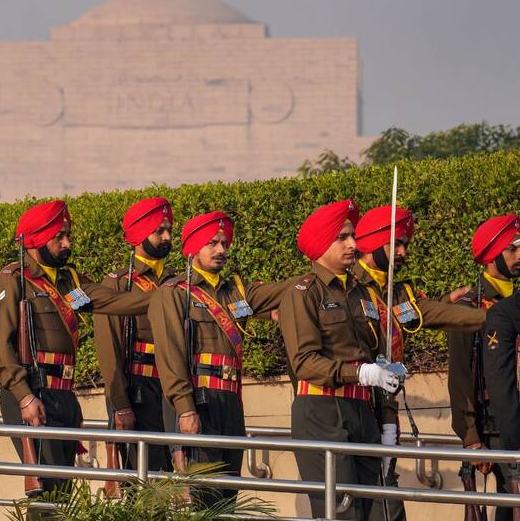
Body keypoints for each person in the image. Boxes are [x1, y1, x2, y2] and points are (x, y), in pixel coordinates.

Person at [0, 199, 150, 503]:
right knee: (46, 496)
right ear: (36, 239)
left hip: (63, 396)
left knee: (61, 494)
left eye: (68, 236)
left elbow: (113, 302)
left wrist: (165, 300)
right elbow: (0, 346)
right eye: (59, 237)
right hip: (32, 394)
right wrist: (24, 396)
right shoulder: (12, 280)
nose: (67, 243)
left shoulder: (69, 281)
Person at [149, 210, 291, 507]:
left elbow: (280, 292)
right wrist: (185, 409)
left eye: (224, 243)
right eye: (212, 243)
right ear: (193, 248)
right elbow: (170, 357)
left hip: (230, 402)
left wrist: (315, 276)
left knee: (228, 496)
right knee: (201, 497)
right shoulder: (174, 293)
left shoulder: (235, 291)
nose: (221, 250)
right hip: (196, 402)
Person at [353, 205, 485, 521]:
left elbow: (428, 313)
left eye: (405, 245)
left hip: (385, 410)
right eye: (395, 244)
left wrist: (489, 319)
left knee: (386, 496)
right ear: (372, 245)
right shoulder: (348, 286)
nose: (402, 252)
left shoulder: (398, 291)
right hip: (352, 408)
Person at [279, 199, 395, 520]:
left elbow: (375, 354)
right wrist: (361, 374)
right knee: (342, 514)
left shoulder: (361, 292)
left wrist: (386, 416)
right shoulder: (303, 294)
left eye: (353, 236)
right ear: (321, 244)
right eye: (342, 237)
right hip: (322, 414)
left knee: (370, 512)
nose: (353, 244)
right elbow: (304, 362)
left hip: (362, 412)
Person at [94, 197, 177, 473]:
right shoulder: (118, 283)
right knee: (144, 482)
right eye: (159, 231)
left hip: (175, 392)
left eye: (169, 230)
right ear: (140, 234)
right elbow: (110, 350)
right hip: (140, 391)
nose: (166, 237)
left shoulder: (177, 281)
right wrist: (120, 404)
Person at [447, 213, 520, 521]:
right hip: (492, 423)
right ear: (491, 256)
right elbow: (461, 375)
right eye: (512, 249)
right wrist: (470, 436)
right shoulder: (469, 306)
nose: (519, 256)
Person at [482, 291, 520, 519]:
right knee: (508, 499)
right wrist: (470, 437)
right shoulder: (503, 312)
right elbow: (501, 387)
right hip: (505, 426)